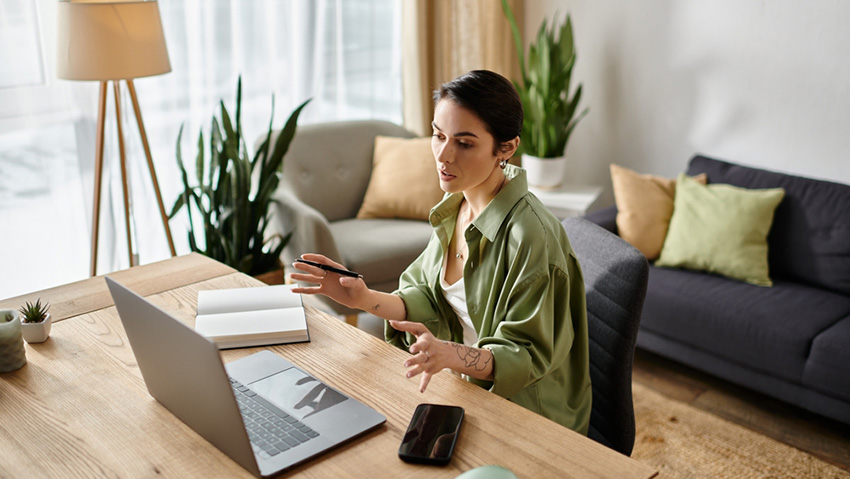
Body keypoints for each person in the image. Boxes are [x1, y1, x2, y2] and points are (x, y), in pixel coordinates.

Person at [290, 70, 592, 434]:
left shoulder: (532, 237)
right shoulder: (456, 208)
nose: (443, 155)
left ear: (506, 148)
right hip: (460, 385)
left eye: (464, 143)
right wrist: (363, 298)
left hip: (528, 412)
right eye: (438, 135)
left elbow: (525, 358)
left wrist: (449, 354)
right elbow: (426, 298)